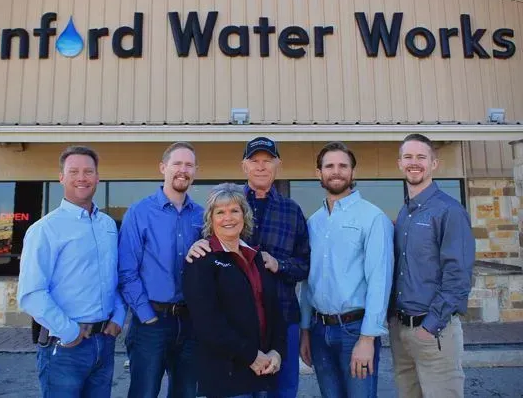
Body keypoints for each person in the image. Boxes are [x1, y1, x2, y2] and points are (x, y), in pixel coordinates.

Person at [187, 136, 310, 398]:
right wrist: (194, 247)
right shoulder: (227, 202)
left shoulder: (292, 211)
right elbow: (207, 243)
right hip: (237, 325)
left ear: (278, 165)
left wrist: (280, 265)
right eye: (255, 161)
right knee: (243, 389)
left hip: (282, 317)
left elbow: (305, 266)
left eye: (267, 161)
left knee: (282, 390)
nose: (261, 167)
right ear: (244, 166)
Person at [17, 146, 125, 398]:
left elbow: (114, 278)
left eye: (88, 171)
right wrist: (69, 331)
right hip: (65, 347)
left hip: (104, 343)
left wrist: (119, 316)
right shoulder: (44, 229)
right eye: (73, 171)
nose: (82, 177)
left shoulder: (108, 225)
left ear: (98, 177)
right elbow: (31, 293)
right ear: (61, 177)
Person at [299, 142, 394, 398]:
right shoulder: (314, 222)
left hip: (355, 331)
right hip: (319, 332)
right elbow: (309, 280)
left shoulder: (373, 218)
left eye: (343, 166)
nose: (336, 171)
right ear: (318, 173)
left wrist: (367, 339)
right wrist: (305, 330)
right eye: (329, 166)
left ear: (353, 172)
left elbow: (379, 281)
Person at [389, 133, 475, 398]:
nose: (414, 163)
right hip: (401, 331)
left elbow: (458, 275)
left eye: (421, 157)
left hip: (433, 332)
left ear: (434, 164)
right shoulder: (405, 213)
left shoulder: (449, 211)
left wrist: (430, 326)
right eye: (408, 157)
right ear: (400, 163)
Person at [183, 183, 286, 398]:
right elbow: (207, 323)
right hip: (227, 375)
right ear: (211, 220)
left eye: (234, 211)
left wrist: (277, 351)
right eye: (220, 212)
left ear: (244, 216)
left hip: (263, 370)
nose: (228, 218)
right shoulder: (201, 260)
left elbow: (274, 311)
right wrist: (251, 356)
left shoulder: (257, 257)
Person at [118, 141, 204, 398]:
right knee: (144, 393)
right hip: (151, 323)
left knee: (186, 393)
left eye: (189, 165)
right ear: (162, 167)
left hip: (190, 324)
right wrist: (147, 316)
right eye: (177, 163)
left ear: (195, 171)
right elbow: (126, 271)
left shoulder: (202, 216)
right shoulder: (140, 212)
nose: (183, 170)